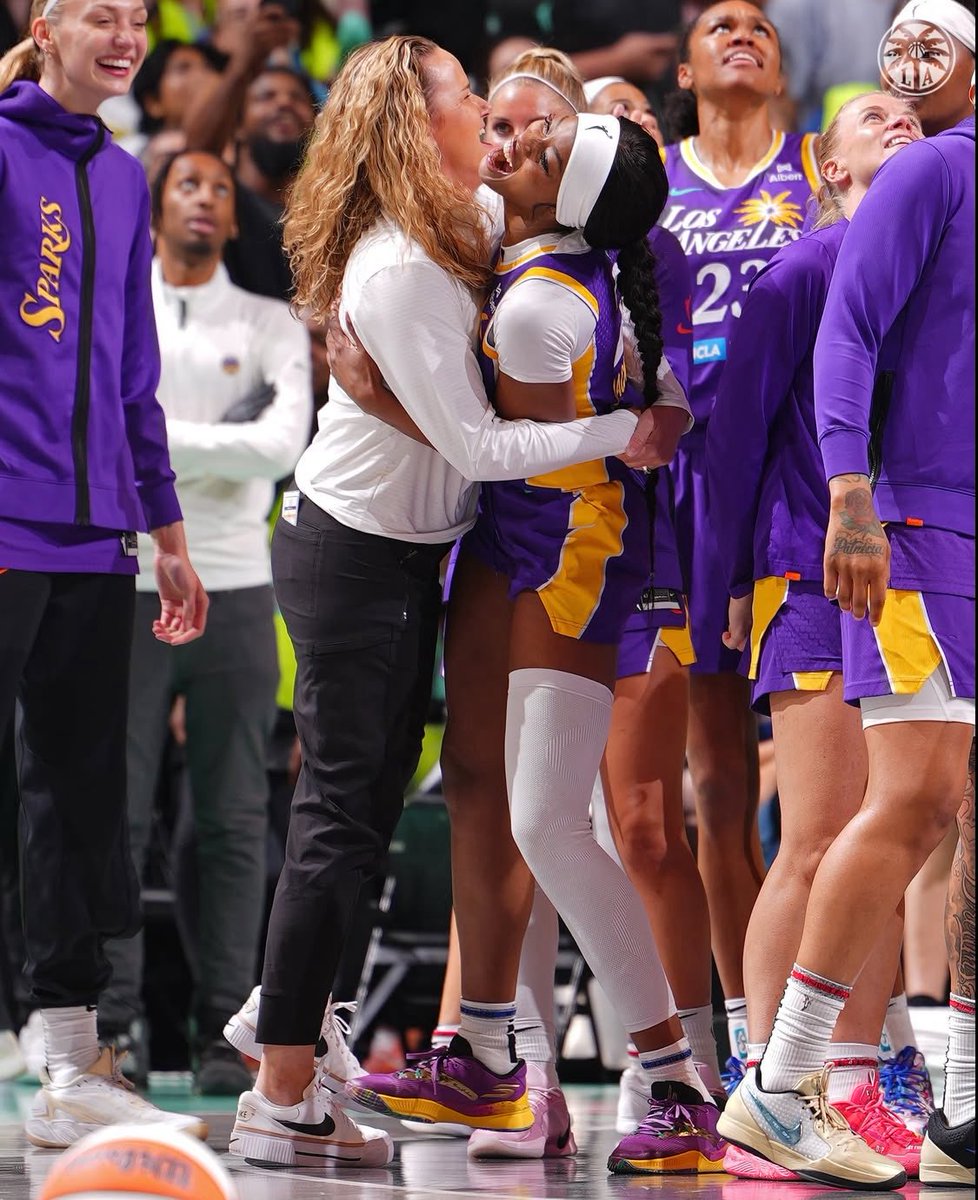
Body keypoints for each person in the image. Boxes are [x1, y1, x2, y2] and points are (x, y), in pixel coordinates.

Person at [222, 35, 662, 1172]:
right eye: (476, 102)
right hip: (355, 554)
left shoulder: (466, 224)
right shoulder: (405, 266)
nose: (495, 123)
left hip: (434, 550)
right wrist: (629, 431)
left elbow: (576, 215)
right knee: (349, 818)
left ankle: (322, 1028)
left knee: (400, 811)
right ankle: (281, 1077)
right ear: (420, 130)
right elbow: (477, 439)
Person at [343, 97, 727, 1176]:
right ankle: (495, 1059)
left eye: (537, 146)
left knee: (553, 824)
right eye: (510, 128)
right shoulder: (549, 257)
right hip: (511, 543)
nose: (504, 145)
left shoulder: (535, 310)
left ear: (568, 195)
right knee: (491, 800)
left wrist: (379, 399)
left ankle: (673, 1079)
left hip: (567, 547)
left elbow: (501, 448)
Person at [717, 23, 974, 1189]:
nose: (907, 85)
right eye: (893, 69)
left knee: (943, 815)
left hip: (942, 530)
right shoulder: (912, 181)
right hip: (883, 536)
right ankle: (780, 1080)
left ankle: (952, 1100)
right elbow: (834, 351)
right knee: (887, 810)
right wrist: (848, 496)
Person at [0, 0, 208, 1147]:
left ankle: (69, 1061)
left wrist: (164, 527)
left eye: (135, 18)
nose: (122, 35)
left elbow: (134, 371)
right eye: (98, 15)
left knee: (80, 797)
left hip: (95, 537)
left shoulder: (128, 178)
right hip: (4, 517)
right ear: (44, 24)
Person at [97, 149, 312, 1096]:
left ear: (233, 220)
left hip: (234, 586)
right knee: (116, 811)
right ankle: (110, 1029)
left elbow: (280, 447)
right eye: (187, 183)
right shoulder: (115, 308)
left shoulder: (269, 322)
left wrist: (146, 434)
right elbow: (94, 430)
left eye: (220, 191)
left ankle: (228, 1026)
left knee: (231, 820)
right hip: (125, 582)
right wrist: (202, 440)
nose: (205, 198)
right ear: (157, 210)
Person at [659, 1, 821, 1066]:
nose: (742, 33)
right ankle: (738, 1044)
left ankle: (850, 1034)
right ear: (684, 66)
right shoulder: (652, 180)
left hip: (791, 485)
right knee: (714, 786)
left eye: (761, 25)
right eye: (720, 23)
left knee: (828, 792)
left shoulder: (819, 170)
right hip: (677, 489)